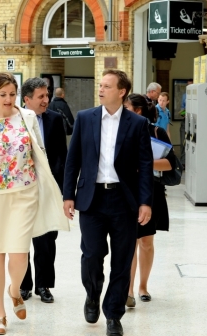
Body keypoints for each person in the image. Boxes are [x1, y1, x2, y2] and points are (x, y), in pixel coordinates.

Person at [0, 72, 69, 335]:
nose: (8, 99)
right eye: (2, 95)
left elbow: (39, 152)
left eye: (12, 94)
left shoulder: (28, 117)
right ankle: (0, 315)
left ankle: (15, 291)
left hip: (25, 191)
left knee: (20, 252)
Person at [63, 70, 153, 336]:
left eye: (107, 86)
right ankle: (92, 294)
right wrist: (68, 195)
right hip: (91, 198)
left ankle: (114, 314)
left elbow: (145, 166)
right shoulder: (85, 118)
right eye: (100, 85)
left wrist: (145, 201)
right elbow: (73, 160)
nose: (100, 90)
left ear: (121, 91)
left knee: (122, 261)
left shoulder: (137, 124)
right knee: (92, 255)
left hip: (124, 200)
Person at [124, 93, 176, 308]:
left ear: (137, 111)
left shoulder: (157, 131)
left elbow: (170, 163)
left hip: (152, 191)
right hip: (127, 192)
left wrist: (145, 163)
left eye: (125, 107)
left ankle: (143, 286)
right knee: (131, 241)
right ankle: (128, 290)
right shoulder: (121, 132)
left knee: (146, 242)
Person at [19, 78, 67, 304]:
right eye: (41, 97)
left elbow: (62, 155)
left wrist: (61, 187)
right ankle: (24, 284)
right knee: (21, 238)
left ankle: (43, 285)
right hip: (22, 189)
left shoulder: (55, 119)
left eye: (47, 95)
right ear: (27, 99)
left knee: (47, 238)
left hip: (49, 187)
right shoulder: (16, 121)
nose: (46, 100)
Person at [179, 79, 193, 168]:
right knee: (183, 142)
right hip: (185, 119)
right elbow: (182, 107)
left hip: (194, 121)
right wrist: (182, 113)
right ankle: (182, 162)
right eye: (187, 85)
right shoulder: (185, 96)